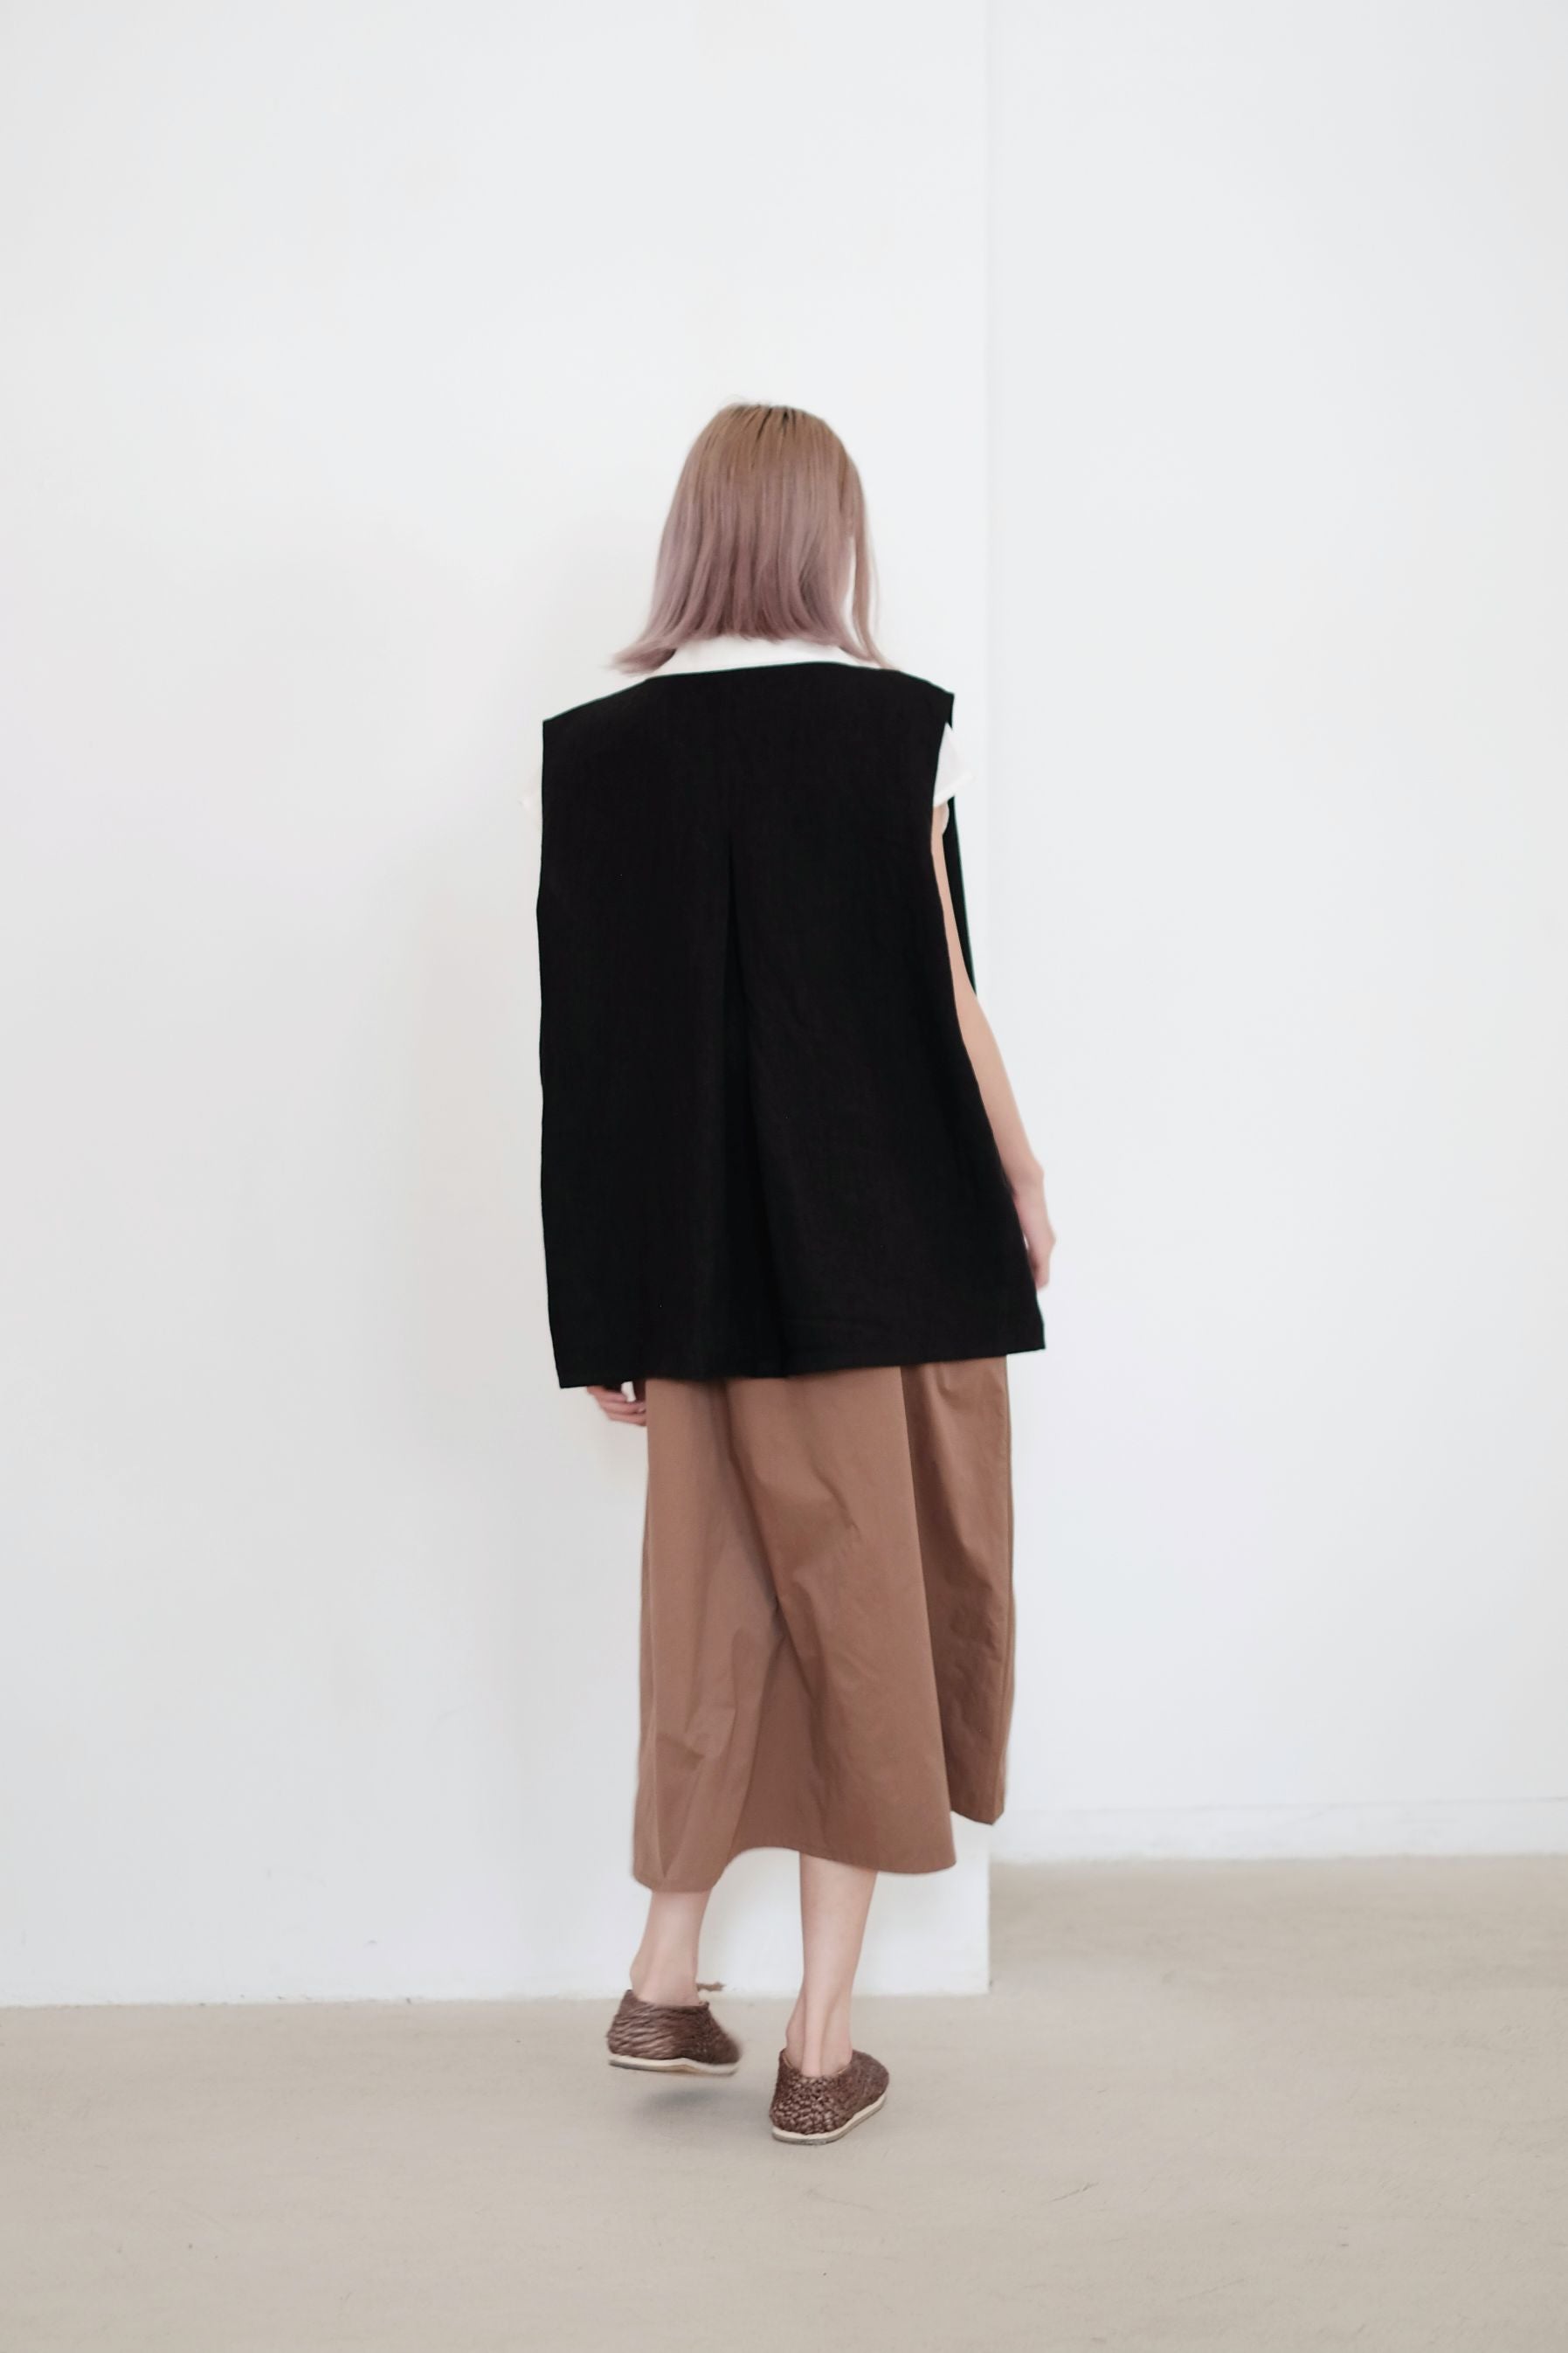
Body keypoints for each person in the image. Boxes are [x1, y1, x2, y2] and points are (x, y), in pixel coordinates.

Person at [536, 402, 1053, 2145]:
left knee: (719, 1614)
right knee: (869, 1629)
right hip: (885, 1261)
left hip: (694, 1287)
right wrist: (1022, 1178)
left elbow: (591, 1059)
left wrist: (600, 1314)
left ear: (695, 538)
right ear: (829, 538)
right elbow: (949, 998)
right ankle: (820, 2047)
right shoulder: (897, 734)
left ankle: (663, 1976)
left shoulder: (597, 757)